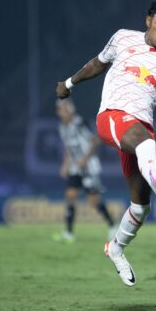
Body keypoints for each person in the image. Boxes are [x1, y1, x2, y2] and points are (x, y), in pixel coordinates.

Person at [55, 0, 156, 287]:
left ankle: (116, 248)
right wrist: (69, 84)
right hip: (113, 117)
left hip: (141, 134)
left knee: (139, 207)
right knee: (143, 145)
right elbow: (97, 64)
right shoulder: (123, 38)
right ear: (148, 20)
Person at [55, 99, 118, 243]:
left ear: (70, 109)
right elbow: (67, 147)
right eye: (59, 110)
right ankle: (69, 233)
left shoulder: (79, 123)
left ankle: (112, 225)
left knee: (93, 201)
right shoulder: (62, 127)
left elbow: (95, 140)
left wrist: (85, 158)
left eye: (63, 109)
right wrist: (65, 164)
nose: (60, 112)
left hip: (89, 167)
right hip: (75, 167)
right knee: (70, 195)